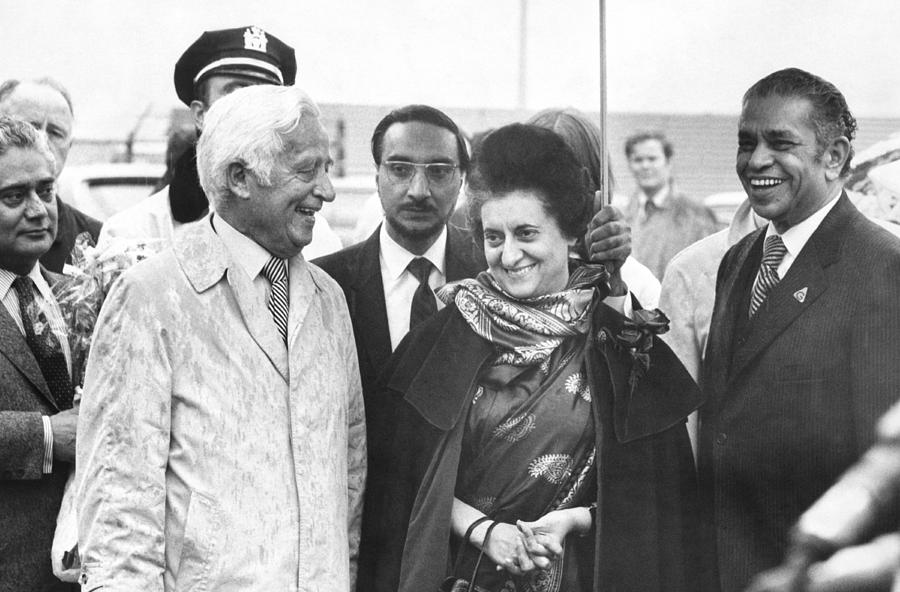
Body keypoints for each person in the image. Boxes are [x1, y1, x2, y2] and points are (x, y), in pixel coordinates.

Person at [369, 123, 701, 592]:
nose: (509, 255)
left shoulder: (620, 338)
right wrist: (485, 531)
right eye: (493, 237)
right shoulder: (445, 334)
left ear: (569, 232)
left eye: (526, 233)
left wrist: (576, 520)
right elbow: (403, 477)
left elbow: (658, 493)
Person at [76, 85, 365, 591]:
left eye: (327, 168)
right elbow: (118, 510)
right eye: (307, 170)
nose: (328, 190)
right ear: (239, 177)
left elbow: (350, 475)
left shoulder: (329, 301)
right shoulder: (152, 297)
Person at [698, 67, 900, 592]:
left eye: (780, 143)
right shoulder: (739, 261)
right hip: (727, 568)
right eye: (746, 143)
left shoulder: (882, 269)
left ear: (834, 157)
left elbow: (881, 473)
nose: (756, 161)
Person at [313, 104, 486, 588]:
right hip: (358, 551)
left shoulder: (495, 281)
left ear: (462, 180)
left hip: (469, 555)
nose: (418, 190)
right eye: (400, 168)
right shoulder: (325, 286)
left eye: (438, 171)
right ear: (376, 174)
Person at [98, 25, 342, 258]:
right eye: (236, 93)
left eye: (266, 97)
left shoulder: (316, 238)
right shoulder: (133, 233)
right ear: (200, 115)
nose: (253, 110)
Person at [0, 116, 78, 591]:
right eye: (14, 197)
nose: (37, 210)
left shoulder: (78, 294)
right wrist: (48, 436)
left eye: (45, 191)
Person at [527, 107, 662, 308]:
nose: (549, 202)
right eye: (533, 183)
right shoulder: (498, 272)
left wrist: (613, 284)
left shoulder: (637, 282)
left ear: (596, 185)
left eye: (565, 182)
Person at [0, 78, 101, 272]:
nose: (43, 140)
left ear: (69, 146)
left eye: (56, 132)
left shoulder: (97, 241)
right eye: (28, 128)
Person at [616, 130, 718, 279]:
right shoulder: (622, 216)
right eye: (638, 160)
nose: (645, 166)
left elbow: (710, 271)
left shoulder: (695, 214)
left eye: (652, 159)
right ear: (629, 164)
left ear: (668, 162)